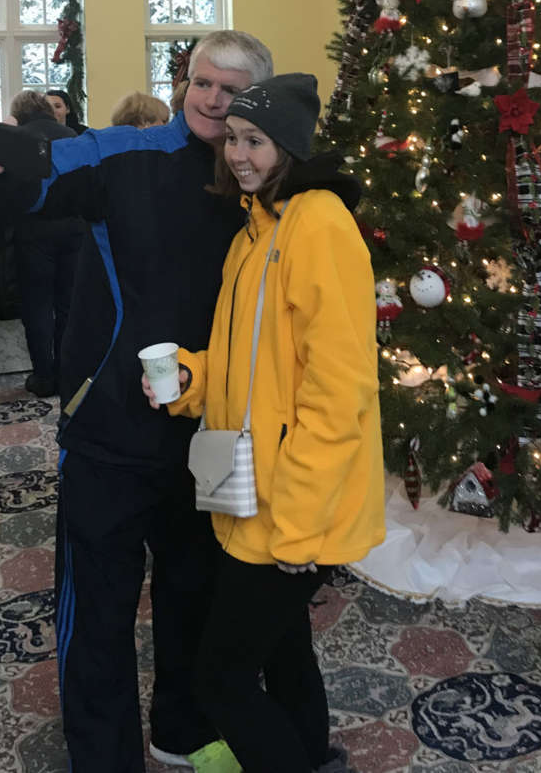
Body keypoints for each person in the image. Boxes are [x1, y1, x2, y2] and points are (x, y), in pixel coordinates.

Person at [0, 31, 273, 773]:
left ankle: (180, 730)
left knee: (196, 597)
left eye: (231, 90)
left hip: (212, 438)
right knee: (97, 610)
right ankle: (104, 755)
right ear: (184, 82)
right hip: (109, 431)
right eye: (202, 83)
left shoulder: (266, 184)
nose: (213, 101)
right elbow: (36, 178)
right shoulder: (126, 154)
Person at [143, 74, 385, 773]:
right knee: (282, 649)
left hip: (292, 508)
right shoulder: (258, 228)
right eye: (231, 140)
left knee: (219, 676)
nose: (237, 154)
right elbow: (248, 358)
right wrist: (191, 378)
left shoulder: (318, 224)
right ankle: (311, 755)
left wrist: (301, 524)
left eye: (254, 140)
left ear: (291, 147)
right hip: (253, 489)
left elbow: (340, 391)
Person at [8, 90, 83, 398]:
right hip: (73, 229)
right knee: (68, 306)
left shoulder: (16, 138)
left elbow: (9, 188)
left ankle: (43, 376)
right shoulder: (70, 134)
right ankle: (67, 373)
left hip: (33, 230)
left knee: (37, 307)